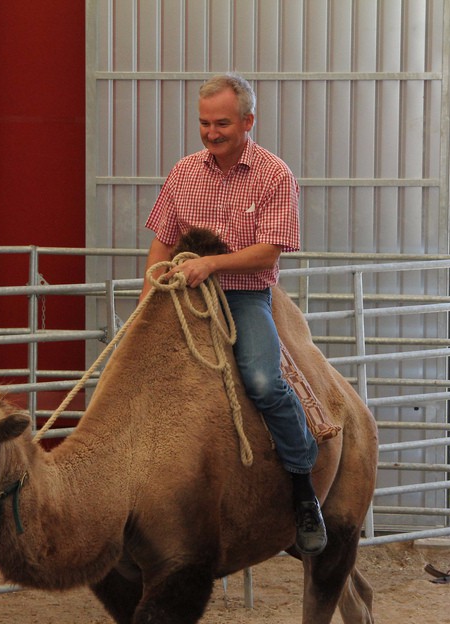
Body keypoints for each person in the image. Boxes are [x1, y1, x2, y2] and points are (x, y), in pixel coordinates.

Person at [140, 72, 327, 555]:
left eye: (221, 123)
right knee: (135, 377)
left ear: (247, 121)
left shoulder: (274, 174)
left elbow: (268, 253)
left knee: (263, 380)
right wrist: (146, 301)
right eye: (204, 123)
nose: (211, 133)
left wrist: (212, 264)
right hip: (183, 296)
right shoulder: (184, 171)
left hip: (243, 296)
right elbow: (162, 239)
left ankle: (304, 486)